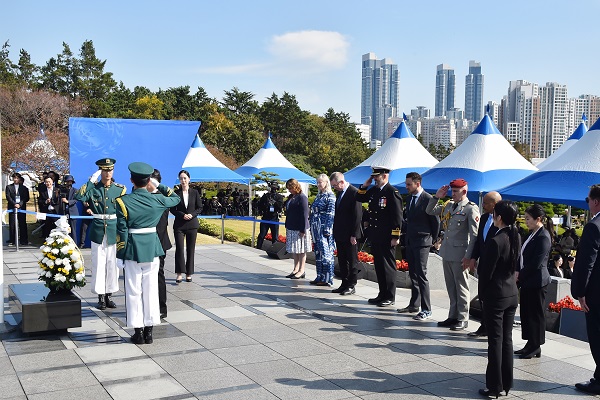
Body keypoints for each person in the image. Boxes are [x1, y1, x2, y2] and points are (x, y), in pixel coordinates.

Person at [115, 162, 180, 344]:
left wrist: (120, 255)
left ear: (131, 180)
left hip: (133, 250)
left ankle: (138, 331)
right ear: (149, 181)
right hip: (152, 248)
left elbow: (122, 231)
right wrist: (158, 185)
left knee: (134, 290)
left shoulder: (122, 202)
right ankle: (150, 331)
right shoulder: (157, 199)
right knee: (151, 290)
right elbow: (175, 198)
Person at [478, 200, 520, 399]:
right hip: (511, 292)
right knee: (507, 340)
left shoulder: (497, 240)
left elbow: (486, 271)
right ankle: (506, 383)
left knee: (495, 341)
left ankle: (495, 385)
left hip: (496, 294)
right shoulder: (515, 235)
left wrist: (483, 294)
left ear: (499, 217)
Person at [426, 178, 479, 330]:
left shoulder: (470, 208)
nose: (453, 194)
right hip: (447, 251)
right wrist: (437, 197)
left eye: (456, 191)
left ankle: (463, 318)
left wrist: (468, 256)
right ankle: (453, 315)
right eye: (452, 191)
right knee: (451, 286)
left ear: (464, 191)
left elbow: (474, 236)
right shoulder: (449, 205)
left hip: (461, 254)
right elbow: (429, 211)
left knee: (461, 287)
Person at [75, 158, 127, 310]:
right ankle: (100, 297)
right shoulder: (93, 189)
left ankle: (109, 294)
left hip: (113, 229)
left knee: (112, 264)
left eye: (110, 170)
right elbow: (80, 196)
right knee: (99, 264)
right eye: (104, 170)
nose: (108, 173)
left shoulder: (120, 189)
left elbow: (123, 212)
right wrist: (92, 180)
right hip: (98, 229)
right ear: (100, 171)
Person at [355, 166, 403, 307]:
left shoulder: (392, 192)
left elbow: (397, 216)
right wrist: (365, 185)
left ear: (385, 175)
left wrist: (395, 235)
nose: (375, 178)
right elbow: (359, 197)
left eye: (377, 176)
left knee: (388, 266)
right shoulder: (375, 190)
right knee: (379, 266)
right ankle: (382, 294)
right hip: (376, 235)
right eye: (374, 176)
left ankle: (390, 296)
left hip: (387, 236)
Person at [398, 172, 440, 320]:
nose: (407, 187)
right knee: (413, 274)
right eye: (406, 184)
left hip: (423, 241)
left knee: (421, 275)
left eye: (409, 184)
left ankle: (426, 309)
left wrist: (432, 239)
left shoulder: (428, 199)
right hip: (411, 240)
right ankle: (414, 304)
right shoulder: (409, 198)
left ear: (418, 183)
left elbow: (436, 222)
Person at [572, 184, 600, 395]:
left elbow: (585, 263)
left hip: (596, 293)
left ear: (595, 201)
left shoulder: (594, 226)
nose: (588, 203)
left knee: (597, 336)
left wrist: (580, 292)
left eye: (588, 199)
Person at [516, 204, 552, 359]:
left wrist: (520, 275)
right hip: (528, 280)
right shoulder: (533, 234)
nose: (526, 221)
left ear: (538, 219)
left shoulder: (543, 236)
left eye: (528, 219)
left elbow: (536, 263)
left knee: (535, 314)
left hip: (537, 281)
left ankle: (535, 345)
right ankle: (530, 343)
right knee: (527, 313)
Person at [468, 191, 502, 337]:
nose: (483, 205)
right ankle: (484, 325)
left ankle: (492, 327)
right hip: (483, 265)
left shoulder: (502, 222)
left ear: (494, 205)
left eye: (486, 203)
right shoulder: (483, 218)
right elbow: (478, 241)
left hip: (496, 267)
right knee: (482, 295)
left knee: (492, 298)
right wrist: (473, 258)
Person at [330, 172, 362, 295]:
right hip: (340, 232)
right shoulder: (340, 193)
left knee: (352, 260)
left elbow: (357, 215)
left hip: (350, 234)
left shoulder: (354, 193)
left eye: (335, 185)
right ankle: (344, 283)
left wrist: (354, 234)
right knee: (342, 260)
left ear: (342, 182)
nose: (334, 188)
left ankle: (351, 285)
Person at [170, 170, 202, 283]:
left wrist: (191, 215)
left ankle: (189, 273)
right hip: (179, 225)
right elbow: (173, 209)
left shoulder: (195, 192)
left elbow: (199, 207)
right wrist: (182, 215)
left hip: (192, 224)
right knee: (179, 248)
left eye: (185, 178)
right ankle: (179, 273)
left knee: (190, 249)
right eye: (181, 178)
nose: (183, 180)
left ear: (189, 179)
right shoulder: (176, 193)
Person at [150, 169, 171, 319]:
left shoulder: (163, 197)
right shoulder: (141, 194)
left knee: (158, 274)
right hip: (144, 241)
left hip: (158, 241)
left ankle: (161, 307)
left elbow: (161, 224)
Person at [309, 174, 336, 286]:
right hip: (316, 227)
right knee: (318, 253)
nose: (319, 184)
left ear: (326, 183)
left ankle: (328, 278)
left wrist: (327, 229)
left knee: (326, 253)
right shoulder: (319, 196)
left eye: (321, 182)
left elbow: (331, 214)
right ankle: (319, 276)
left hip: (324, 228)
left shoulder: (330, 196)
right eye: (318, 182)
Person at [284, 178, 311, 279]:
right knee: (295, 250)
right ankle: (295, 269)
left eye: (290, 188)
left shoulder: (302, 197)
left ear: (296, 186)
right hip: (291, 227)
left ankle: (301, 270)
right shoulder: (292, 197)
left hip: (300, 228)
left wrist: (303, 229)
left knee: (301, 250)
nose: (289, 190)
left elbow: (304, 214)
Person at [256, 182, 284, 249]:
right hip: (265, 216)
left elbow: (280, 207)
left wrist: (274, 202)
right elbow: (260, 205)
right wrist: (262, 210)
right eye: (272, 187)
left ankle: (274, 250)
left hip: (274, 217)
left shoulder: (279, 197)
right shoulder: (265, 196)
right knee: (262, 234)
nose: (273, 189)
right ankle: (258, 247)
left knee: (275, 236)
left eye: (274, 188)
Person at [5, 172, 30, 246]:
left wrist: (20, 204)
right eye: (14, 178)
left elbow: (26, 198)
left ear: (19, 179)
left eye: (17, 178)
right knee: (12, 224)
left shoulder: (24, 188)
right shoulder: (9, 187)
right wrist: (14, 204)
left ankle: (24, 240)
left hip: (21, 207)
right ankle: (12, 240)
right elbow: (8, 197)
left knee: (22, 223)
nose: (16, 179)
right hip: (12, 207)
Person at [59, 175, 80, 242]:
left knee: (73, 230)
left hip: (72, 212)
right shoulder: (62, 190)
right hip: (63, 211)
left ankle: (74, 244)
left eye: (70, 182)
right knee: (63, 229)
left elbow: (76, 200)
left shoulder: (75, 190)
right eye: (67, 182)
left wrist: (67, 201)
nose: (68, 183)